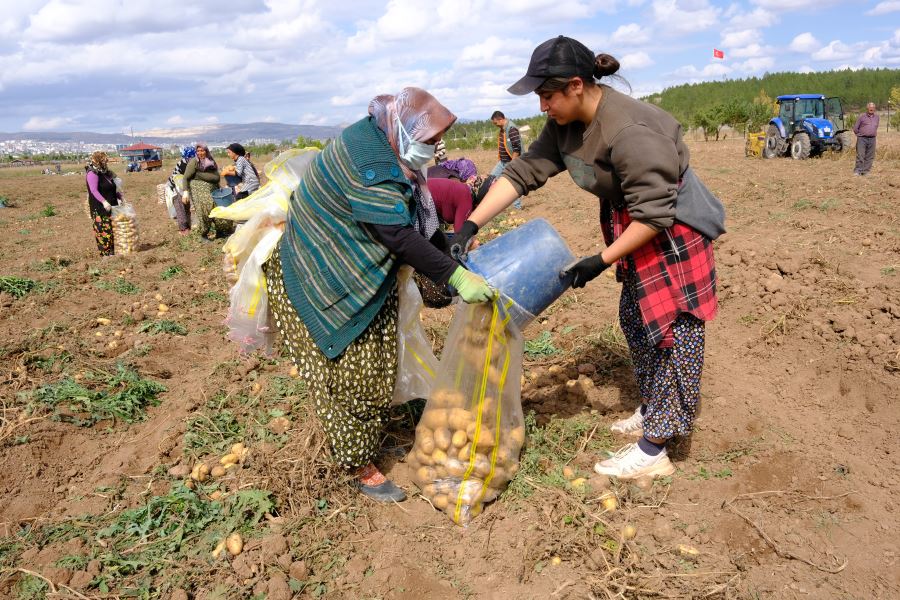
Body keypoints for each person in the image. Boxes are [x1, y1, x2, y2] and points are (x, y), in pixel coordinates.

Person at [454, 36, 724, 481]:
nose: (542, 106)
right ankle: (654, 406)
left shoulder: (629, 130)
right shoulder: (565, 125)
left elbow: (656, 213)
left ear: (576, 85)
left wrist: (600, 260)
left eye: (546, 95)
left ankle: (655, 448)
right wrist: (469, 227)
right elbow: (524, 172)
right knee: (636, 320)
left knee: (672, 331)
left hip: (671, 231)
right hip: (635, 225)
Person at [263, 87, 495, 502]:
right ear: (402, 131)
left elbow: (413, 224)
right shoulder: (373, 163)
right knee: (352, 377)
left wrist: (452, 261)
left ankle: (366, 440)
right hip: (326, 282)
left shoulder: (382, 142)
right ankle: (356, 463)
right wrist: (456, 279)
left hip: (348, 269)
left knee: (377, 366)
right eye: (426, 141)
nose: (433, 149)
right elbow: (395, 233)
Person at [183, 143, 228, 240]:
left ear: (206, 151)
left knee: (217, 209)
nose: (200, 153)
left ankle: (220, 232)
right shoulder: (194, 162)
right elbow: (186, 177)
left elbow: (216, 176)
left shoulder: (210, 161)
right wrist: (185, 192)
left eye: (202, 150)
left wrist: (219, 186)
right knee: (204, 211)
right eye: (198, 151)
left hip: (213, 189)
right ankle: (203, 234)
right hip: (199, 191)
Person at [84, 151, 122, 256]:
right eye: (104, 159)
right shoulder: (92, 173)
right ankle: (105, 255)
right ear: (98, 160)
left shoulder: (105, 172)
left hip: (112, 206)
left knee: (112, 231)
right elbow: (94, 191)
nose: (106, 161)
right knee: (104, 231)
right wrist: (104, 202)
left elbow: (112, 187)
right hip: (100, 208)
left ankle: (112, 253)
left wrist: (120, 197)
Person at [490, 110, 523, 208]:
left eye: (495, 123)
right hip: (502, 162)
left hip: (511, 162)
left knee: (512, 183)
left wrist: (512, 164)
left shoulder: (511, 128)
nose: (495, 125)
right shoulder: (503, 129)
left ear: (500, 119)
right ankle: (496, 204)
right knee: (492, 178)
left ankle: (517, 207)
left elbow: (517, 147)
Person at [167, 146, 196, 234]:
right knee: (180, 207)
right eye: (189, 158)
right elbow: (179, 180)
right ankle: (183, 229)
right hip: (175, 188)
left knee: (187, 207)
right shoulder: (183, 164)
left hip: (184, 188)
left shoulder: (194, 163)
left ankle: (189, 226)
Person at [853, 102, 879, 176]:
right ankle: (858, 170)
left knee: (870, 156)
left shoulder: (877, 117)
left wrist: (872, 133)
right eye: (870, 107)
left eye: (873, 107)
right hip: (862, 139)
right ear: (867, 108)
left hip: (872, 139)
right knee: (860, 155)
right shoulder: (862, 117)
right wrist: (859, 135)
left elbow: (875, 127)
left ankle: (866, 171)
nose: (871, 109)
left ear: (875, 109)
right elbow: (855, 128)